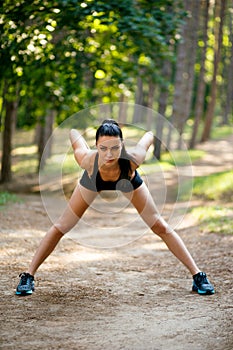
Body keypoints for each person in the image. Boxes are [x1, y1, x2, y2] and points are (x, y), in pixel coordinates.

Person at [16, 119, 215, 296]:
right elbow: (73, 133)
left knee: (160, 226)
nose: (109, 155)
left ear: (123, 146)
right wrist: (81, 136)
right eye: (103, 148)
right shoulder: (87, 159)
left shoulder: (133, 160)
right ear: (96, 146)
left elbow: (149, 136)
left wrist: (149, 136)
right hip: (93, 182)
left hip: (127, 182)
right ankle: (28, 276)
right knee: (61, 226)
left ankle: (198, 276)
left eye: (115, 148)